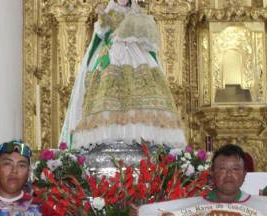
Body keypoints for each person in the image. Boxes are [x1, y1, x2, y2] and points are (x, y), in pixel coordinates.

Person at [58, 0, 185, 149]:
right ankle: (108, 139)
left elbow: (149, 40)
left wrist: (136, 33)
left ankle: (142, 137)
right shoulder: (109, 12)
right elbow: (101, 32)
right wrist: (104, 19)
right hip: (113, 55)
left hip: (136, 55)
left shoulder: (139, 14)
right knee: (108, 92)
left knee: (144, 93)